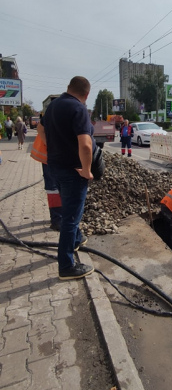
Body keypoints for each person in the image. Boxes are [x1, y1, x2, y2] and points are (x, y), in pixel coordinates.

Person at [38, 76, 95, 280]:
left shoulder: (53, 106)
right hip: (73, 171)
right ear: (86, 94)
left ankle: (77, 239)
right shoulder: (79, 109)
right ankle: (66, 266)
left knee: (68, 208)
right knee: (70, 219)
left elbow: (40, 129)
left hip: (55, 167)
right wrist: (87, 170)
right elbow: (86, 145)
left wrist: (53, 147)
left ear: (68, 88)